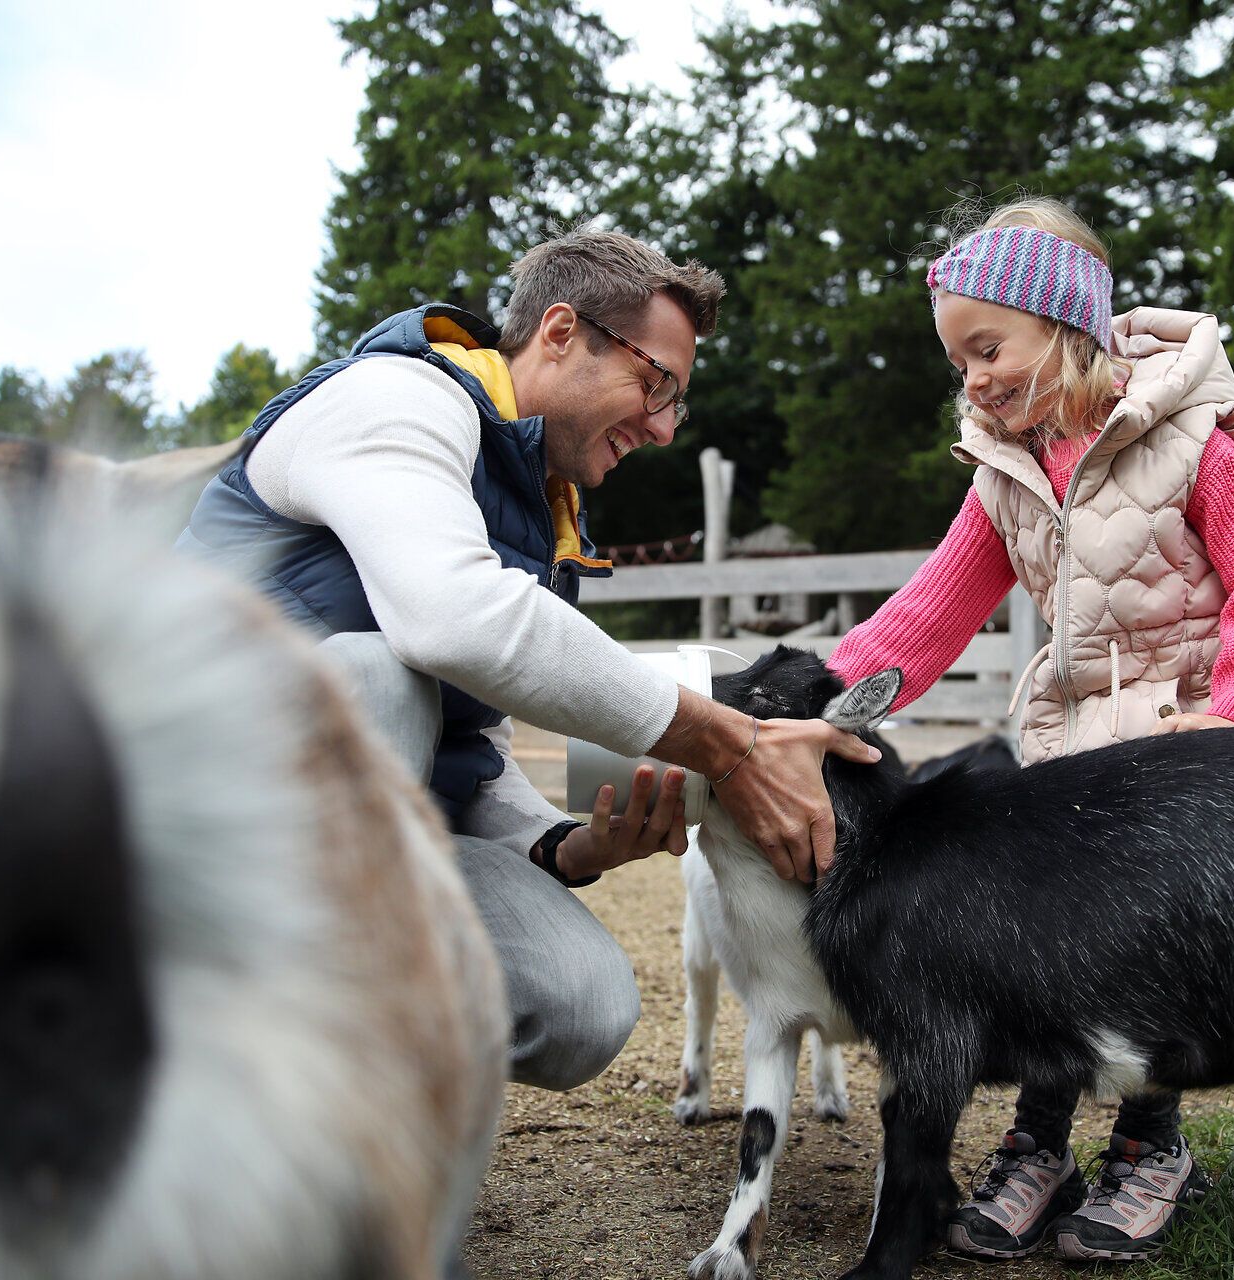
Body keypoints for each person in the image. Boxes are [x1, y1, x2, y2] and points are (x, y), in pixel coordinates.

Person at [178, 227, 878, 1093]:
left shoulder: (545, 511)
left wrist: (568, 845)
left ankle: (329, 1083)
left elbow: (477, 752)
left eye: (677, 403)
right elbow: (452, 620)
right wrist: (721, 741)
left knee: (583, 1004)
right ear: (557, 331)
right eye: (654, 382)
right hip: (187, 803)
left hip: (367, 848)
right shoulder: (395, 399)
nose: (662, 427)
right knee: (375, 676)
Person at [828, 196, 1234, 1263]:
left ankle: (1151, 1144)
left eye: (986, 346)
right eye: (957, 361)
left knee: (1154, 959)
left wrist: (1230, 724)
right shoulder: (1008, 472)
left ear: (1062, 321)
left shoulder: (1193, 442)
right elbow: (927, 614)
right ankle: (1039, 1145)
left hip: (1187, 752)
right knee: (1039, 946)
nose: (973, 378)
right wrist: (823, 696)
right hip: (1072, 750)